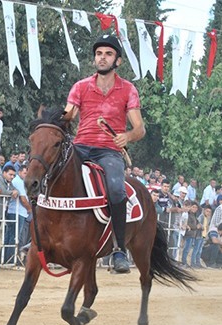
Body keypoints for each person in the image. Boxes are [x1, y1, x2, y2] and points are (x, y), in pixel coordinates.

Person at [64, 34, 146, 273]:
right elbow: (70, 114)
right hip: (80, 147)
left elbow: (140, 128)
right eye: (99, 53)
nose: (102, 57)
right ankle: (43, 237)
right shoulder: (80, 87)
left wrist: (127, 137)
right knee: (53, 174)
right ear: (94, 59)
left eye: (108, 54)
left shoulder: (128, 90)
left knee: (116, 188)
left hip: (109, 151)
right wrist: (62, 117)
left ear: (117, 61)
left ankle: (119, 248)